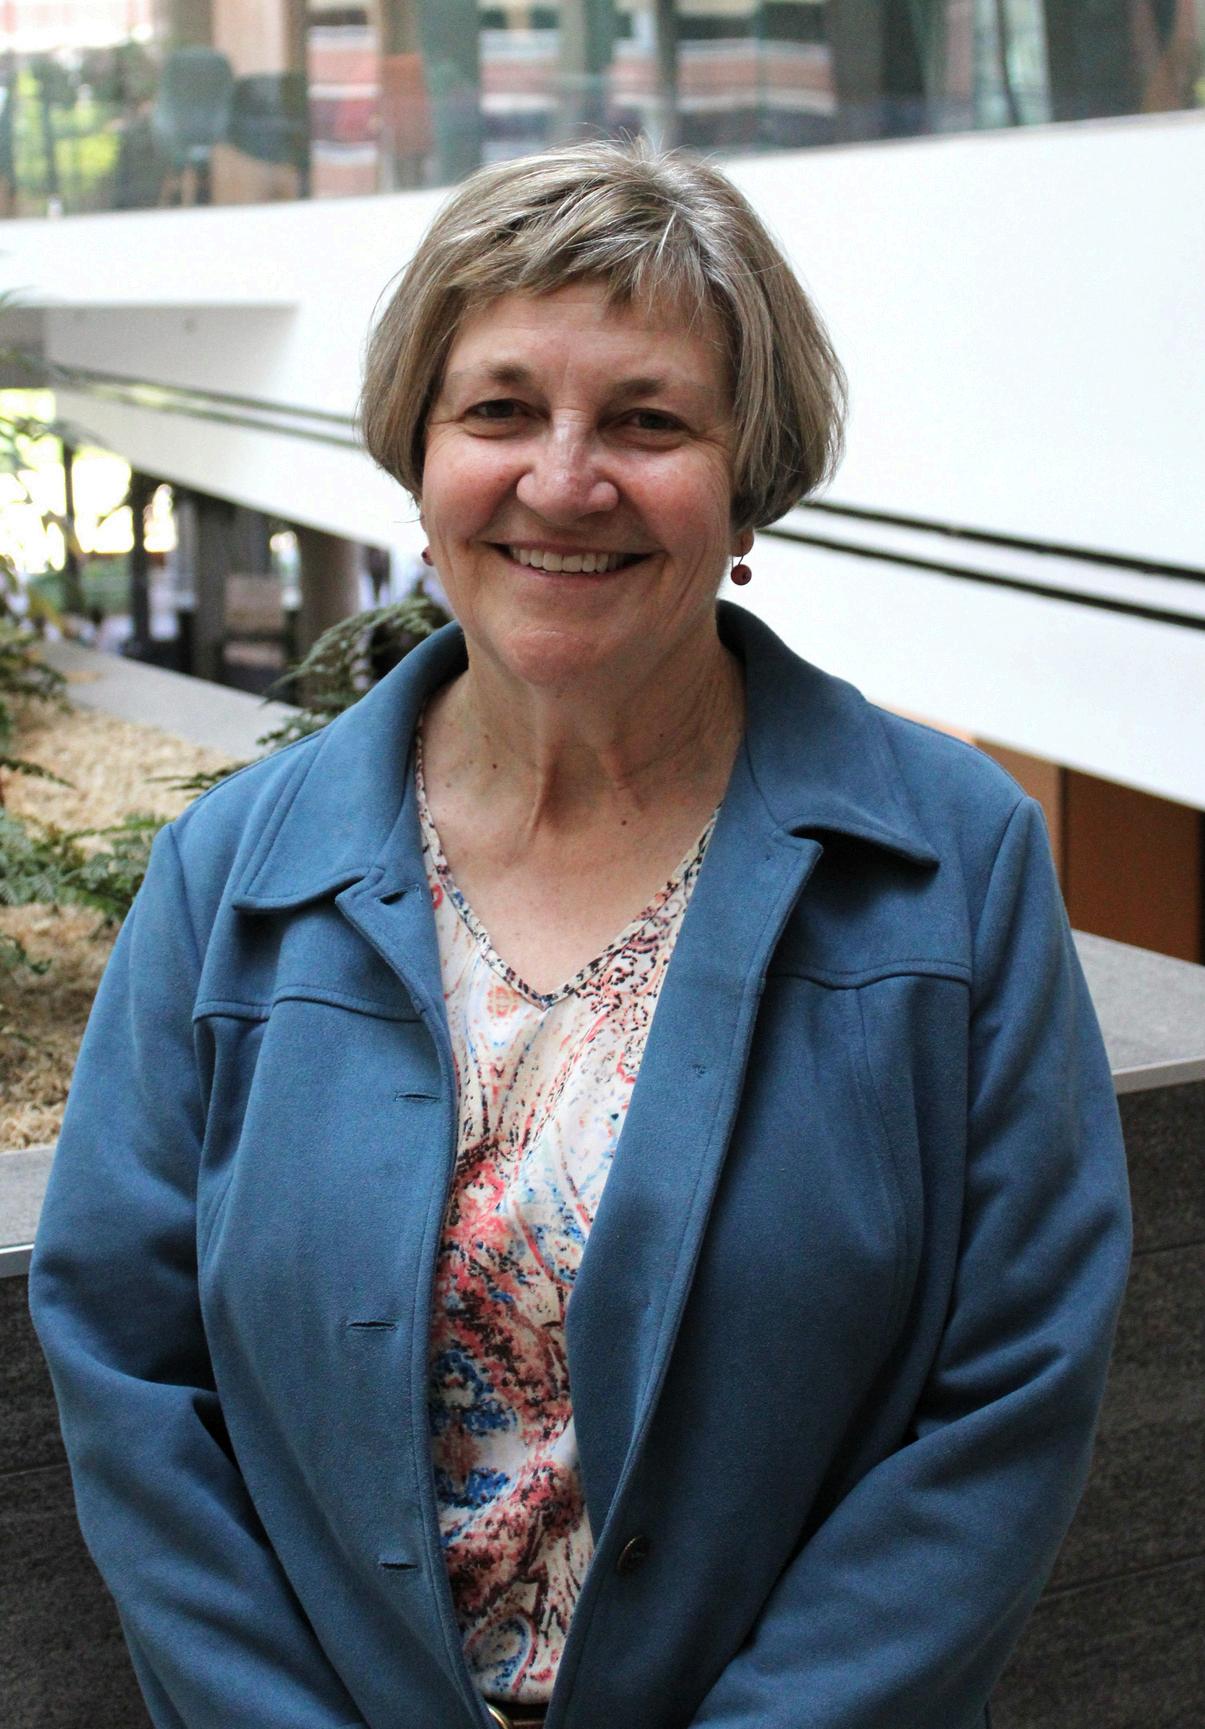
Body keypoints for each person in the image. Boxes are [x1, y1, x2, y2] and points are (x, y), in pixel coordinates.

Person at [30, 140, 1131, 1729]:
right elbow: (128, 1370)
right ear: (419, 461)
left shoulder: (950, 860)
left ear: (747, 481)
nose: (562, 479)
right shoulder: (232, 871)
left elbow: (1008, 1394)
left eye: (646, 420)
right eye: (498, 410)